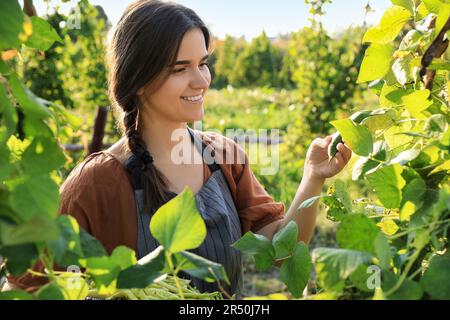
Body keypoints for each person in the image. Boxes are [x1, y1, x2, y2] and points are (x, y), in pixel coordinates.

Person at [6, 0, 352, 297]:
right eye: (180, 68)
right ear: (138, 79)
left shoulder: (223, 157)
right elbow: (26, 288)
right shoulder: (96, 182)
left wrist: (312, 178)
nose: (201, 80)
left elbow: (282, 252)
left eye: (202, 63)